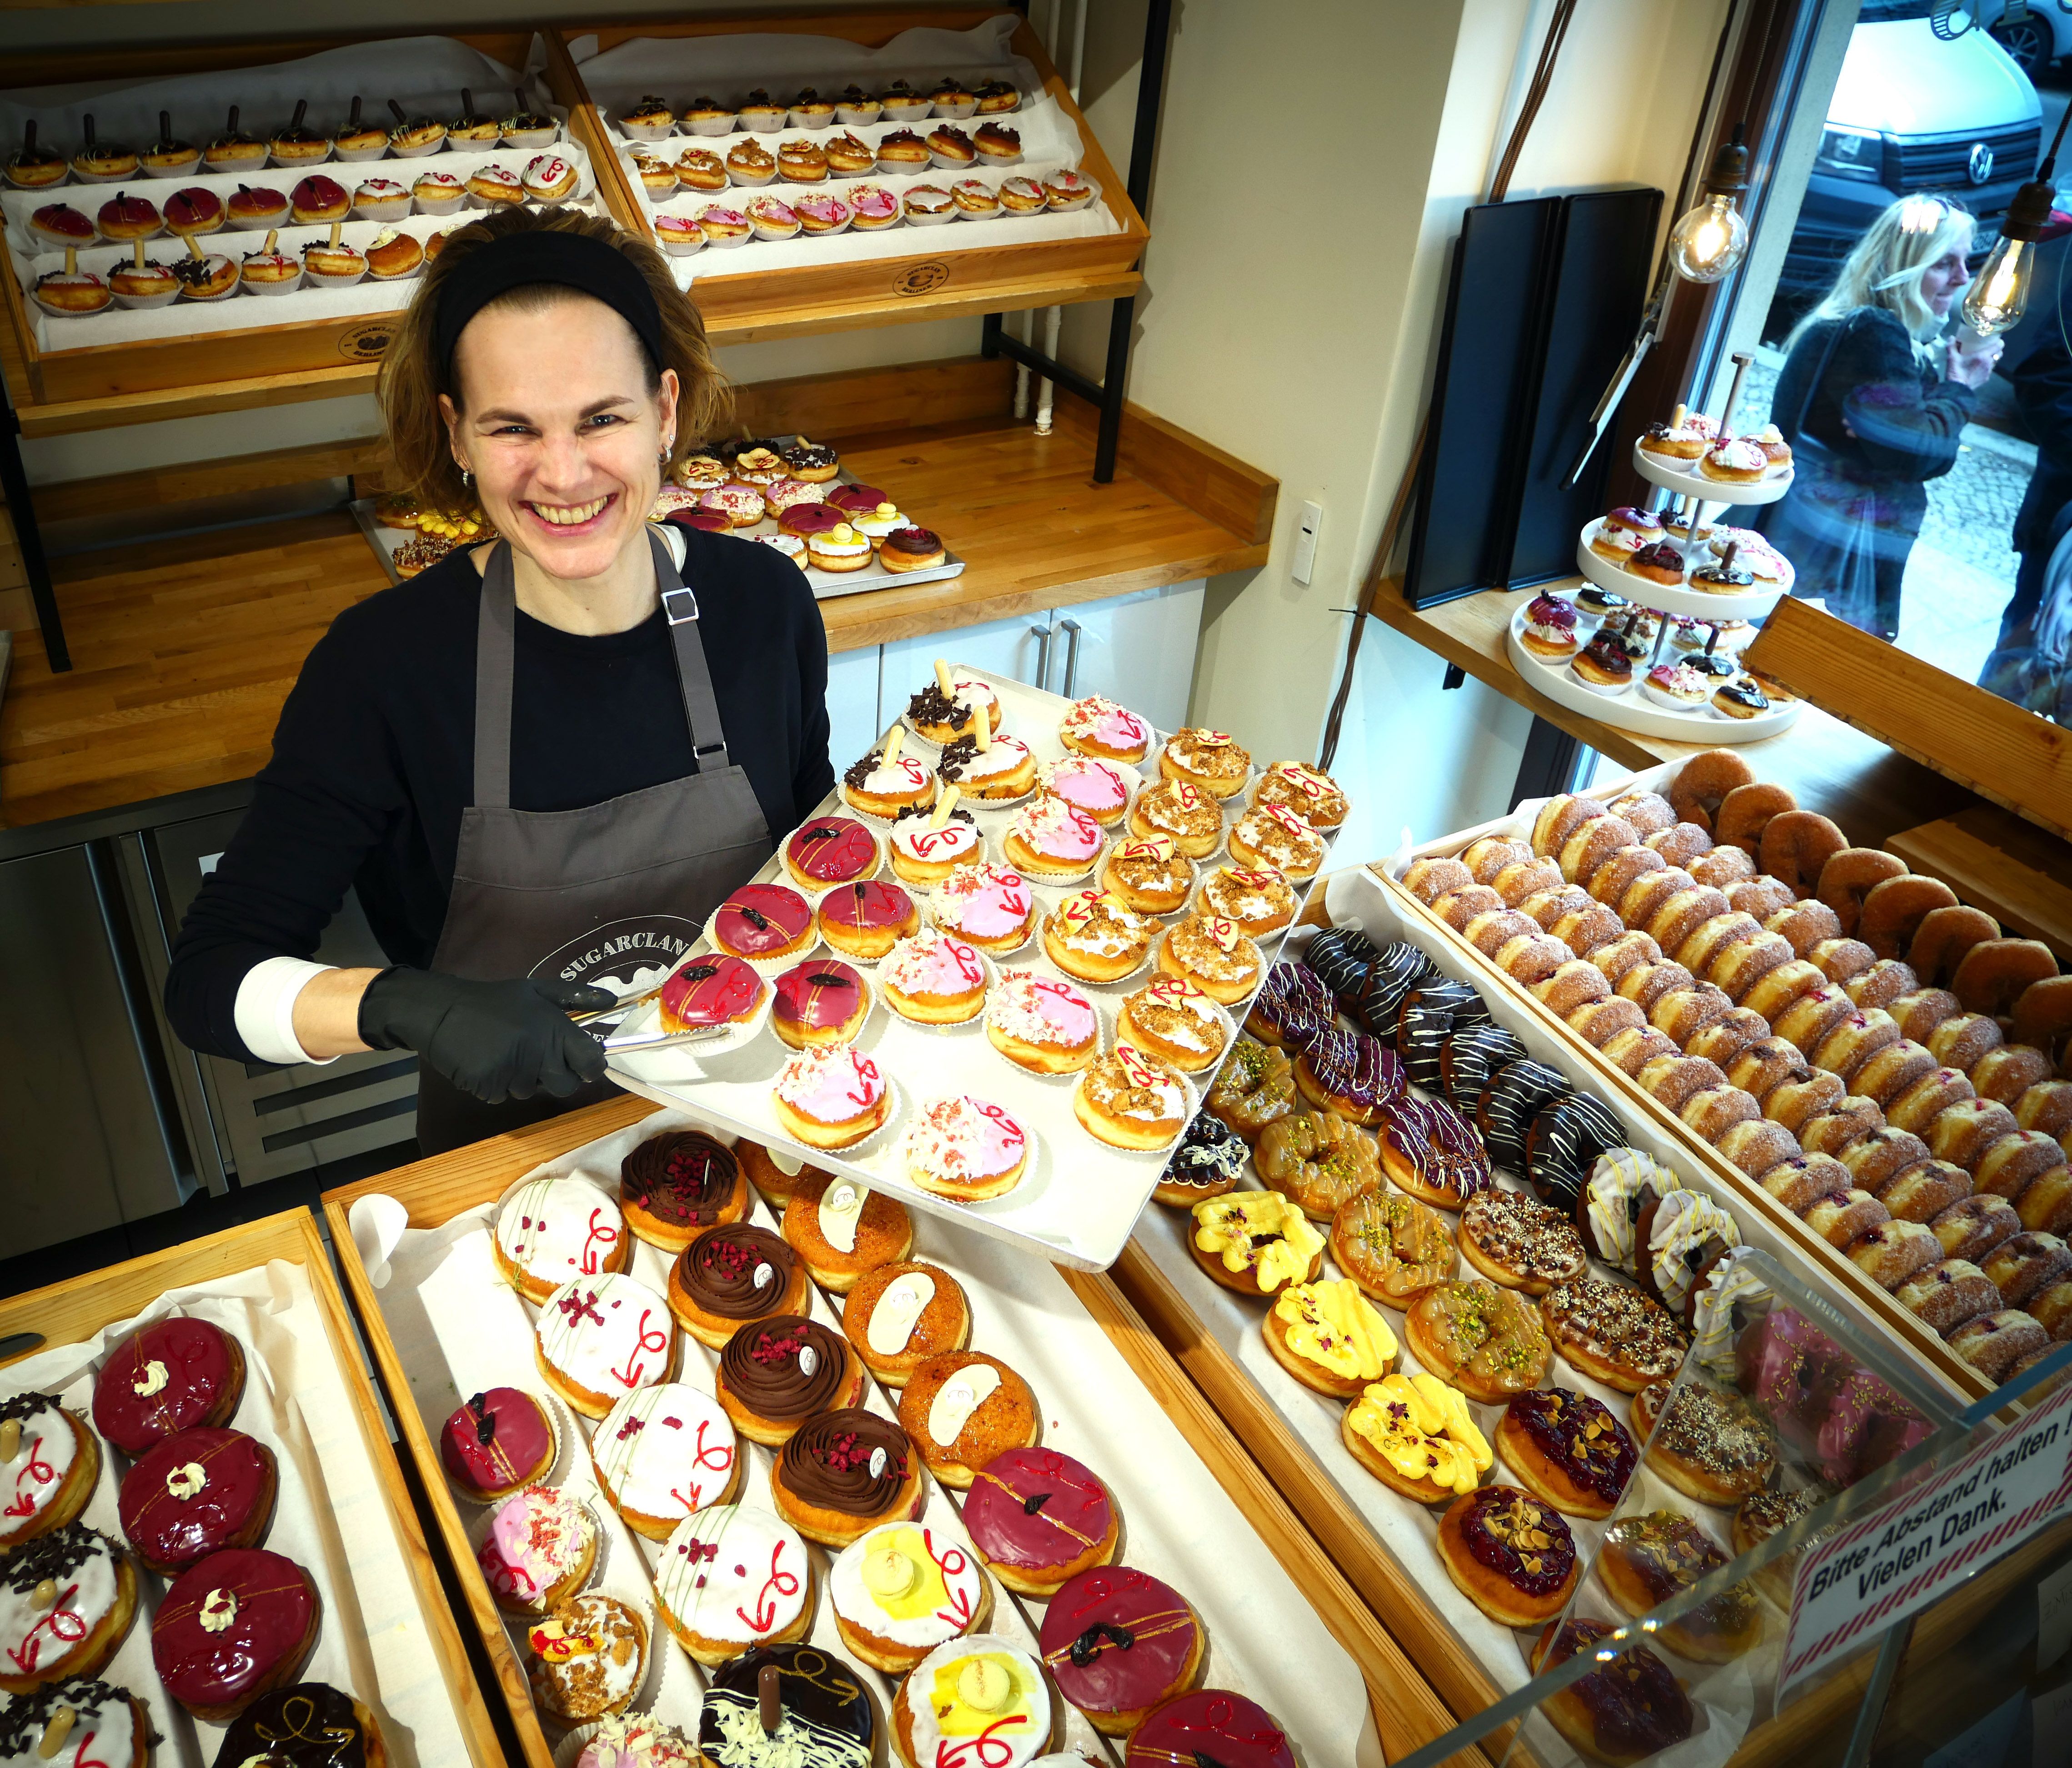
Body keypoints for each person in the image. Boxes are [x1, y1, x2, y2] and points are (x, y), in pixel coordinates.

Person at [164, 207, 833, 1153]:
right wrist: (395, 1005)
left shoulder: (762, 605)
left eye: (602, 418)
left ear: (666, 412)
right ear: (457, 436)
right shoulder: (383, 670)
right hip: (515, 1179)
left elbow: (815, 870)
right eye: (513, 427)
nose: (562, 474)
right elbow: (208, 981)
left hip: (772, 1124)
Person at [1756, 195, 2000, 641]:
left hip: (1819, 553)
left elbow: (1908, 438)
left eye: (1965, 263)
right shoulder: (1873, 332)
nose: (1963, 279)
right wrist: (1960, 390)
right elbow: (1917, 453)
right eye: (1944, 264)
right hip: (1829, 568)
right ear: (1903, 266)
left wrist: (1914, 417)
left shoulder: (1875, 334)